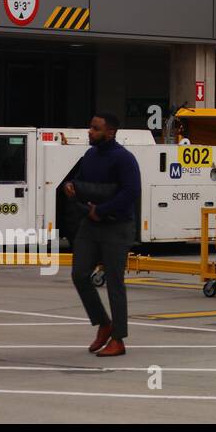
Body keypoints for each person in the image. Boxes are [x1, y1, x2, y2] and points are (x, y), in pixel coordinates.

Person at [65, 113, 140, 357]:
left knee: (115, 282)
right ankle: (103, 323)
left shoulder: (124, 159)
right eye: (90, 127)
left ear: (110, 133)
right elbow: (83, 183)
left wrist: (103, 211)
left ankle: (118, 339)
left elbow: (131, 192)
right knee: (79, 274)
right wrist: (72, 189)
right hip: (90, 223)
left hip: (116, 226)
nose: (90, 131)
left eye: (95, 128)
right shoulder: (89, 155)